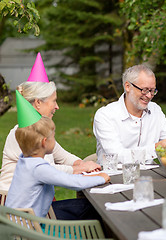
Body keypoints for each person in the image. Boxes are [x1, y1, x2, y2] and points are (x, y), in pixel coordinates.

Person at [0, 55, 101, 192]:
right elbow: (47, 170)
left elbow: (63, 156)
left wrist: (83, 164)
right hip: (19, 208)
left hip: (38, 200)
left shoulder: (41, 129)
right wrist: (80, 169)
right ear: (38, 103)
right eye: (54, 101)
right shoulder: (22, 134)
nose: (57, 106)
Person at [5, 92, 110, 218]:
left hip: (18, 224)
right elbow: (72, 182)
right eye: (53, 137)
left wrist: (82, 166)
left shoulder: (25, 162)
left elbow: (64, 160)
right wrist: (101, 178)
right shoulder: (39, 168)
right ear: (44, 142)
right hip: (31, 230)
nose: (54, 142)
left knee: (84, 206)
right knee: (93, 210)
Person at [93, 64, 166, 163]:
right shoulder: (105, 115)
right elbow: (118, 156)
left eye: (152, 91)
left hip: (149, 176)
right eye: (144, 90)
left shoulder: (155, 110)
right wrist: (155, 148)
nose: (149, 96)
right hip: (114, 176)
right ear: (128, 86)